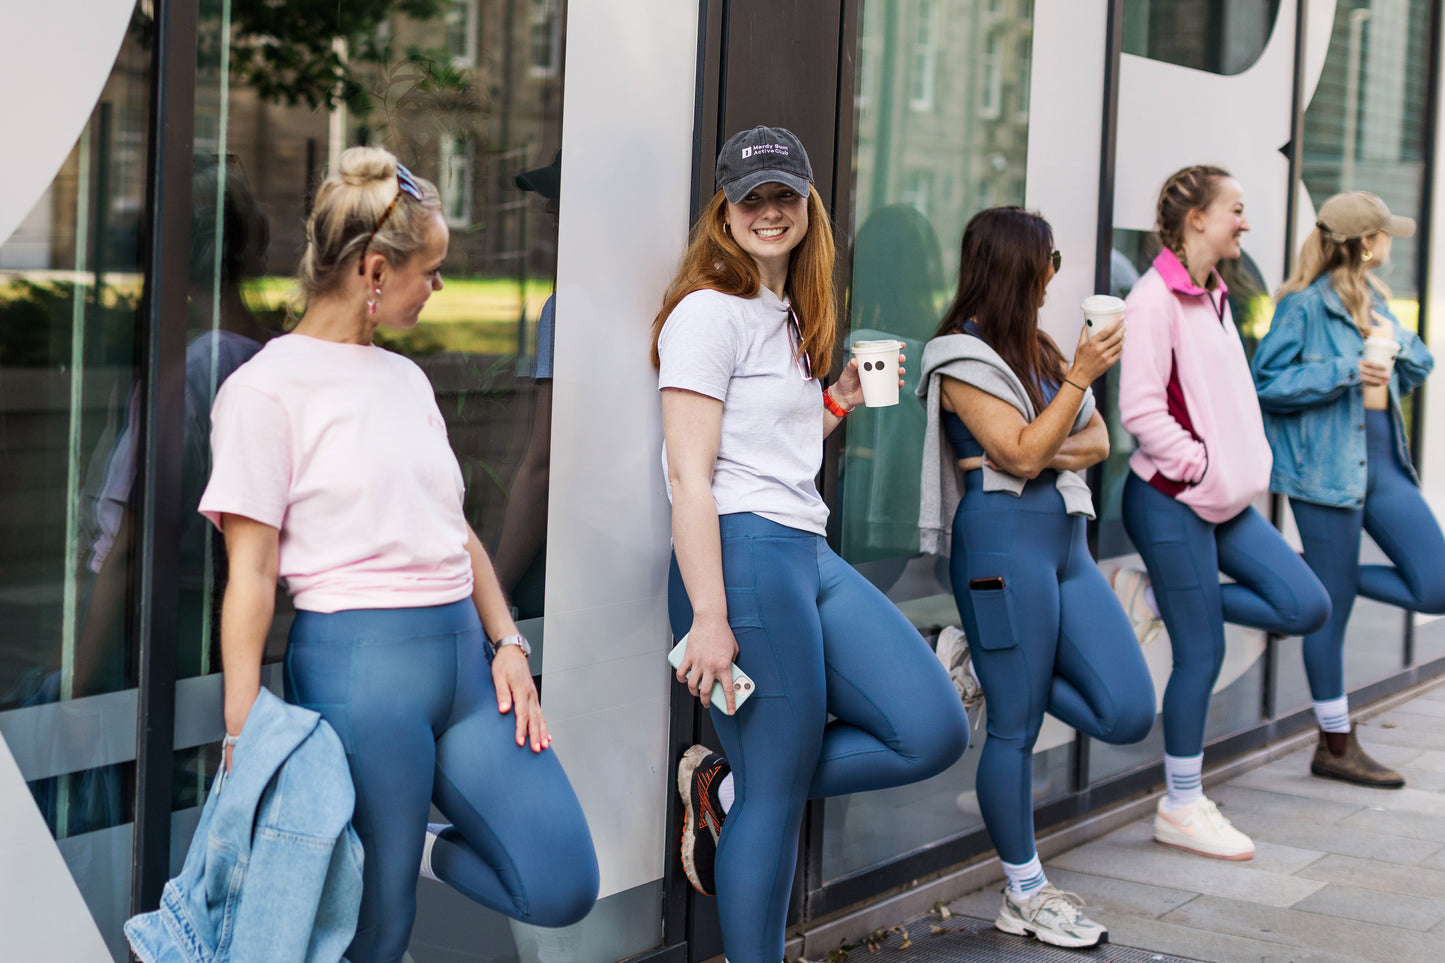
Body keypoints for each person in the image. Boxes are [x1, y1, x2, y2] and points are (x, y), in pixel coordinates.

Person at [197, 146, 598, 963]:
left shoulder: (405, 380)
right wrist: (242, 724)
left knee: (561, 880)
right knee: (377, 931)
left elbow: (454, 528)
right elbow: (250, 572)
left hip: (464, 661)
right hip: (358, 670)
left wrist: (509, 643)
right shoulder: (264, 391)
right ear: (374, 271)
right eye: (432, 270)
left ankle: (404, 838)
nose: (439, 287)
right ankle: (387, 851)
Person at [654, 126, 968, 963]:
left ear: (807, 205)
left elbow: (765, 451)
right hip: (743, 559)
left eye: (783, 195)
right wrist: (710, 614)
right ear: (724, 209)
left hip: (804, 548)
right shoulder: (704, 315)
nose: (768, 211)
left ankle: (729, 781)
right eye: (751, 198)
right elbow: (691, 479)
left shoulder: (786, 311)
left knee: (932, 728)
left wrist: (833, 405)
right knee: (777, 793)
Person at [917, 206, 1155, 949]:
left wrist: (1037, 439)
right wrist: (1068, 396)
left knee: (1125, 709)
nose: (1056, 276)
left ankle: (984, 659)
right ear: (1030, 268)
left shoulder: (1041, 348)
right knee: (1014, 732)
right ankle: (1023, 891)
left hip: (1065, 542)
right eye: (1051, 262)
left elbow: (1094, 439)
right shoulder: (958, 353)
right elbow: (1020, 454)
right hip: (1002, 546)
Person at [1118, 165, 1330, 861]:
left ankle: (1157, 594)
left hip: (1225, 502)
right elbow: (1140, 411)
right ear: (1197, 219)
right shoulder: (1153, 300)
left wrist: (1228, 474)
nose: (1244, 221)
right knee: (1199, 652)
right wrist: (1201, 469)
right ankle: (1179, 803)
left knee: (1304, 603)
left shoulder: (1211, 294)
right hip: (1172, 500)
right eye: (1234, 209)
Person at [1252, 191, 1443, 787]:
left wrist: (1391, 337)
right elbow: (1265, 382)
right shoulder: (1302, 308)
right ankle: (1335, 744)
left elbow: (1418, 369)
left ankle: (1318, 574)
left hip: (1384, 465)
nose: (1392, 242)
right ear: (1366, 242)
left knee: (1435, 586)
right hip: (1326, 474)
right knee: (1329, 616)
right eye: (1386, 234)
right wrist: (1342, 369)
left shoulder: (1376, 301)